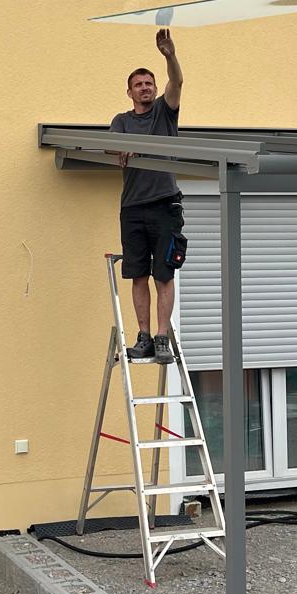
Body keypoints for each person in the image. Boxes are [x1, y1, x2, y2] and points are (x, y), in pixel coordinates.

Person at [109, 30, 186, 365]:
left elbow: (177, 82)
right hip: (132, 207)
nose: (145, 88)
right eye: (138, 84)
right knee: (138, 274)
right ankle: (143, 337)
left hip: (164, 204)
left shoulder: (164, 113)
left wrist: (169, 55)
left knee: (163, 274)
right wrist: (120, 147)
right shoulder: (121, 121)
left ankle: (162, 337)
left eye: (149, 83)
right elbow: (111, 146)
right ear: (129, 92)